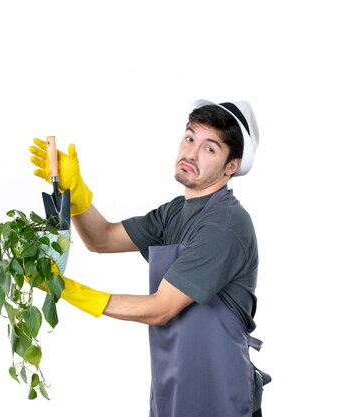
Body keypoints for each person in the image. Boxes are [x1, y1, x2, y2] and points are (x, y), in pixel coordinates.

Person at [28, 100, 271, 417]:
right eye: (189, 138)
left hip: (218, 389)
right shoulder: (174, 212)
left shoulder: (225, 225)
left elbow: (161, 308)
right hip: (172, 380)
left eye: (209, 149)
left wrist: (68, 290)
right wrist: (74, 193)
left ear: (231, 166)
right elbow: (101, 238)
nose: (191, 153)